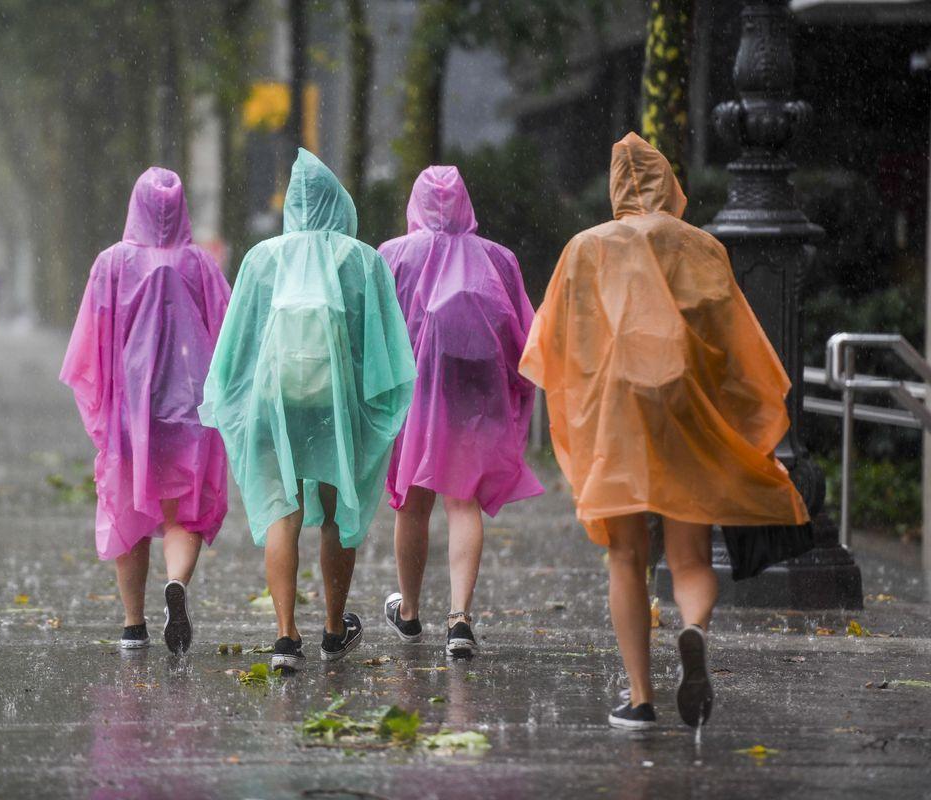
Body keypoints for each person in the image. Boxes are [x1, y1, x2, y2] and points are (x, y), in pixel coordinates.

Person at [520, 133, 811, 731]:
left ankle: (640, 699)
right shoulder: (700, 247)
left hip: (613, 415)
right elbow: (735, 345)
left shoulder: (585, 249)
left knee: (625, 555)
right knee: (690, 554)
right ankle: (694, 629)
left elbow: (552, 346)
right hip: (686, 409)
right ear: (668, 183)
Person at [200, 149, 415, 672]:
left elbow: (239, 343)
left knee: (284, 509)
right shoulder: (361, 259)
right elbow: (382, 345)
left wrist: (231, 399)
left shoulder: (262, 259)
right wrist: (377, 407)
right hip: (335, 403)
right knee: (338, 506)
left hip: (276, 402)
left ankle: (284, 637)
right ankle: (334, 628)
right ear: (337, 204)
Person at [61, 167, 230, 654]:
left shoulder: (111, 264)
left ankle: (134, 625)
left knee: (132, 509)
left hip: (131, 413)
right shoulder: (200, 265)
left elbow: (89, 348)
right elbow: (227, 332)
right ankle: (176, 582)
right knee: (184, 512)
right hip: (191, 411)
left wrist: (103, 408)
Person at [378, 166, 544, 658]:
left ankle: (408, 613)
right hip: (477, 395)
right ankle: (459, 620)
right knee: (463, 501)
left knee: (412, 501)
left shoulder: (392, 255)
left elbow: (377, 330)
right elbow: (523, 334)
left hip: (415, 395)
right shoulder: (497, 258)